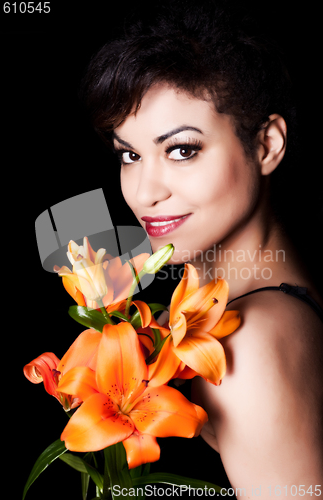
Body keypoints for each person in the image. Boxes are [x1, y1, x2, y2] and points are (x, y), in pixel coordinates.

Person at [79, 0, 323, 496]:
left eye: (182, 150)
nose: (146, 191)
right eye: (129, 154)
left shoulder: (248, 345)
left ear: (266, 145)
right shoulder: (233, 302)